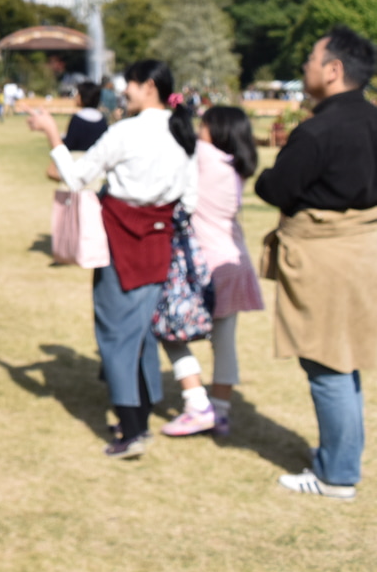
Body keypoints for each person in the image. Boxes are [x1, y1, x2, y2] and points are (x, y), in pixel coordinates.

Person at [28, 59, 198, 459]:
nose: (125, 91)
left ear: (149, 87)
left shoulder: (127, 132)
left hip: (121, 240)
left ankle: (133, 428)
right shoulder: (181, 133)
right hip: (160, 242)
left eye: (132, 85)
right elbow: (190, 199)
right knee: (139, 333)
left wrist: (53, 134)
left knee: (116, 336)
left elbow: (76, 178)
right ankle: (139, 413)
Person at [254, 26, 377, 499]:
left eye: (310, 58)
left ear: (333, 70)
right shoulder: (371, 121)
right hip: (363, 252)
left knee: (328, 364)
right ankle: (338, 460)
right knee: (345, 362)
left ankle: (337, 475)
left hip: (324, 257)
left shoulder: (318, 130)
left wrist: (266, 174)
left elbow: (276, 189)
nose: (305, 67)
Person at [157, 106, 264, 438]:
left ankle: (195, 402)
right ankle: (219, 413)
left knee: (168, 328)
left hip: (205, 265)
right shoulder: (237, 166)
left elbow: (175, 139)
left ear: (215, 129)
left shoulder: (204, 156)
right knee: (225, 344)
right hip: (236, 261)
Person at [64, 80, 109, 152]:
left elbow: (70, 143)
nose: (76, 96)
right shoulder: (102, 120)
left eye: (78, 94)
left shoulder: (78, 119)